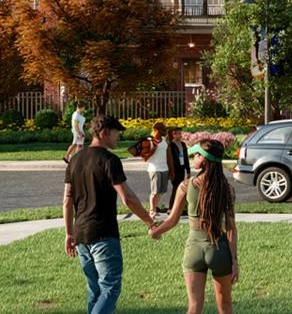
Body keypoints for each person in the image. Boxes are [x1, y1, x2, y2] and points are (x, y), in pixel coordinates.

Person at [65, 115, 157, 314]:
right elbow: (128, 198)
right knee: (110, 287)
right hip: (104, 235)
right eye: (116, 133)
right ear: (104, 132)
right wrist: (149, 221)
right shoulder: (109, 160)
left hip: (81, 235)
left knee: (95, 289)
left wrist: (69, 233)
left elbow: (67, 200)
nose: (118, 138)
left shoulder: (75, 160)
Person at [150, 139, 239, 314]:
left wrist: (155, 231)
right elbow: (231, 228)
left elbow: (173, 219)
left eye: (197, 154)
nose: (194, 157)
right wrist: (234, 260)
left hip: (193, 251)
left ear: (204, 160)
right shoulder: (227, 189)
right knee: (225, 306)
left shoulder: (185, 185)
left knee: (194, 307)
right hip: (219, 250)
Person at [144, 122, 174, 220]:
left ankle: (154, 209)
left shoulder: (165, 142)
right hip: (154, 169)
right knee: (155, 191)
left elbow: (169, 156)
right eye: (162, 129)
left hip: (164, 168)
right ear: (156, 130)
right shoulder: (149, 140)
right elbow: (144, 156)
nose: (164, 131)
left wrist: (171, 170)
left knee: (162, 191)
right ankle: (152, 211)